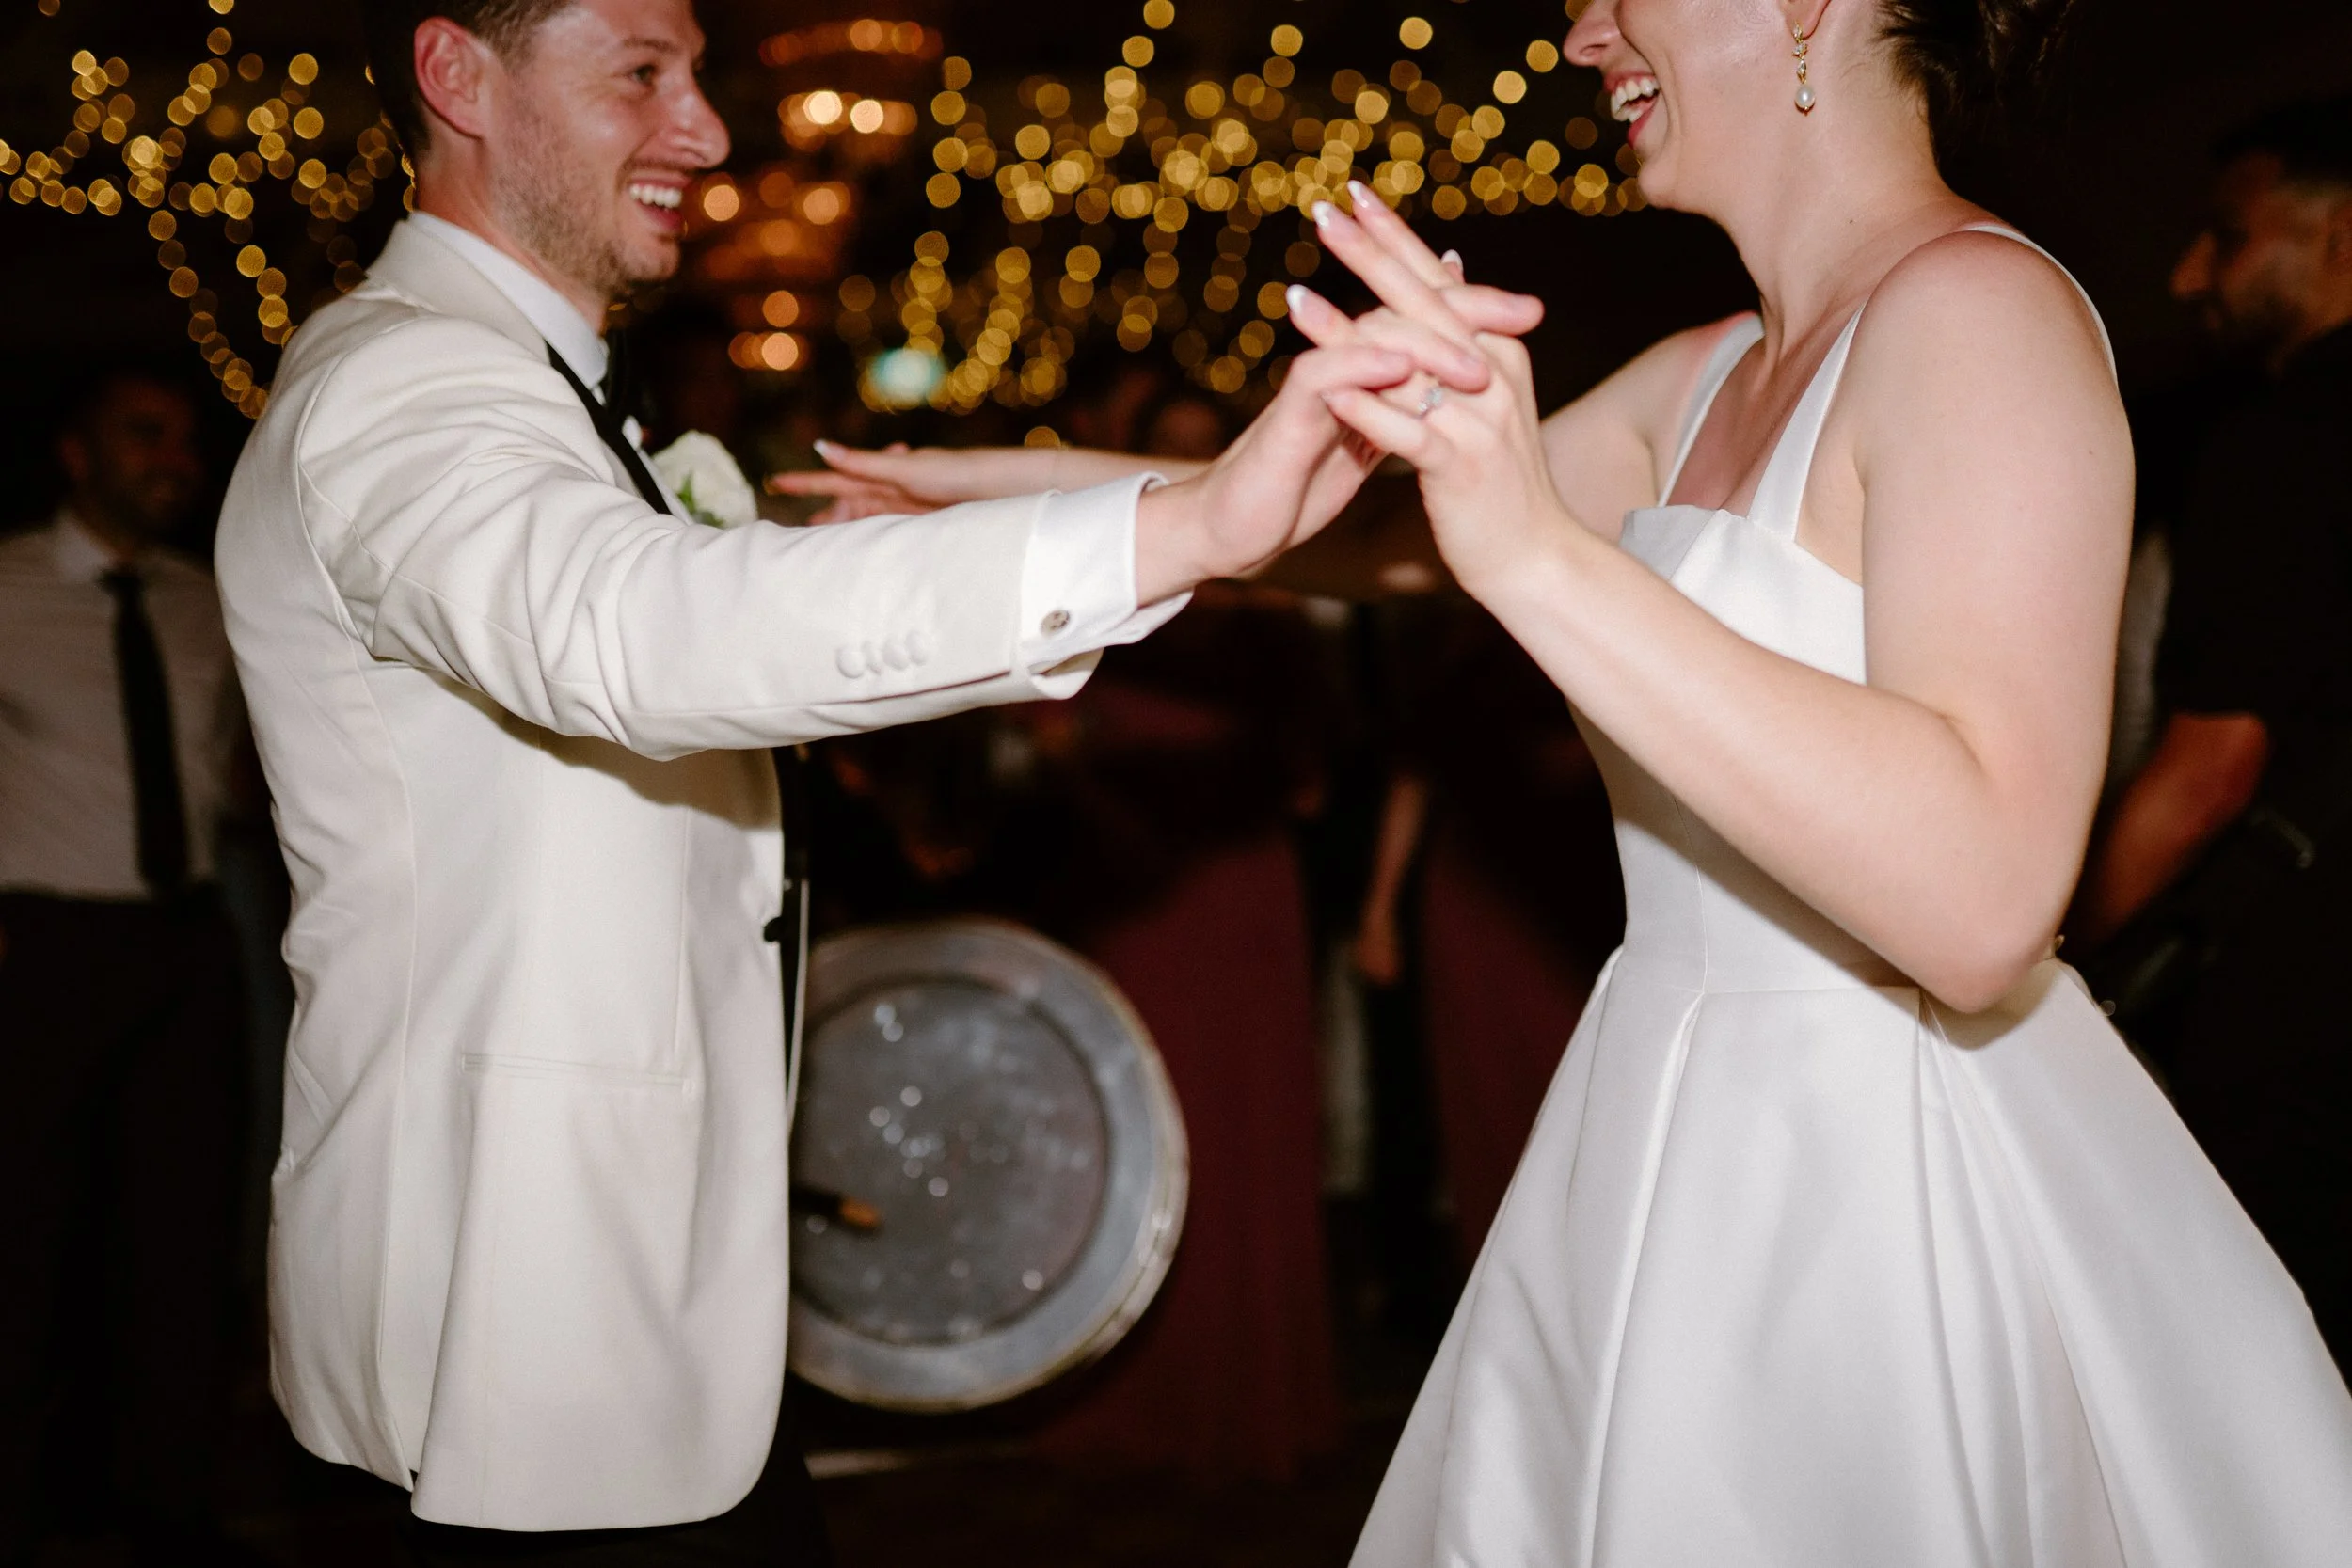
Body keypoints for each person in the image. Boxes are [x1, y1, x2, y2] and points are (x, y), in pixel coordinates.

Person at [796, 1, 2352, 1559]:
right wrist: (949, 503)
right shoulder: (1709, 372)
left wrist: (1532, 547)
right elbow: (1293, 538)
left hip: (1876, 1170)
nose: (1582, 27)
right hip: (1664, 1111)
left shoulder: (1981, 315)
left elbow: (1984, 899)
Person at [214, 0, 1486, 1560]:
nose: (709, 129)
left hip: (661, 1315)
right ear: (456, 74)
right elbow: (628, 626)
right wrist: (1185, 535)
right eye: (641, 74)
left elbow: (670, 635)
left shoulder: (533, 396)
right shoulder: (397, 388)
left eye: (697, 75)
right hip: (511, 1332)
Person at [2077, 95, 2352, 1370]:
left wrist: (2096, 1002)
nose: (2191, 275)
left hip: (2296, 1015)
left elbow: (2208, 768)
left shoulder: (2283, 443)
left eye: (2227, 237)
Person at [0, 370, 252, 1564]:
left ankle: (164, 1510)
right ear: (75, 452)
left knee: (180, 1231)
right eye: (142, 434)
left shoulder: (204, 601)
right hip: (39, 945)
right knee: (24, 1236)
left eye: (185, 438)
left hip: (186, 943)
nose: (175, 457)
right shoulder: (2, 587)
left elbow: (232, 781)